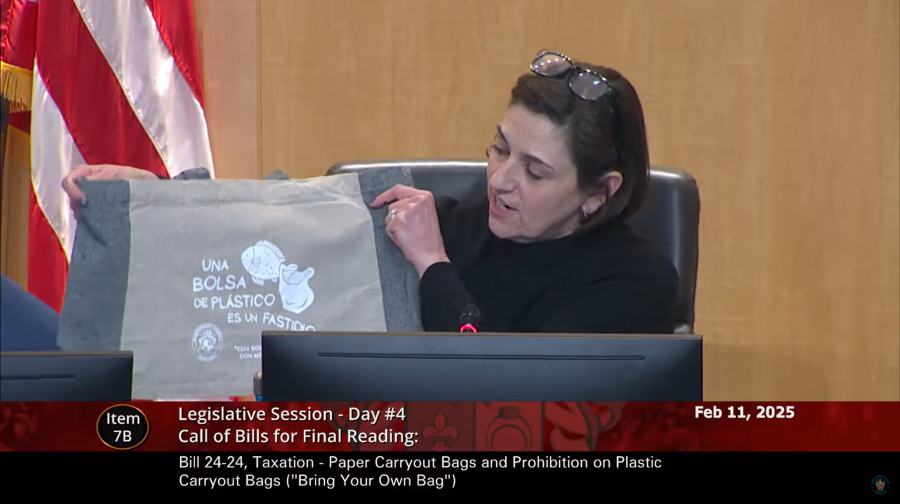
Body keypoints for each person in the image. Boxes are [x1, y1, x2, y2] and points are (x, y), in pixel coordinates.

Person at [61, 50, 679, 334]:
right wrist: (156, 199)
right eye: (499, 148)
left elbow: (512, 405)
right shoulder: (454, 219)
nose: (500, 179)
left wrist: (432, 266)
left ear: (599, 192)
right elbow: (277, 217)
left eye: (535, 171)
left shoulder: (634, 284)